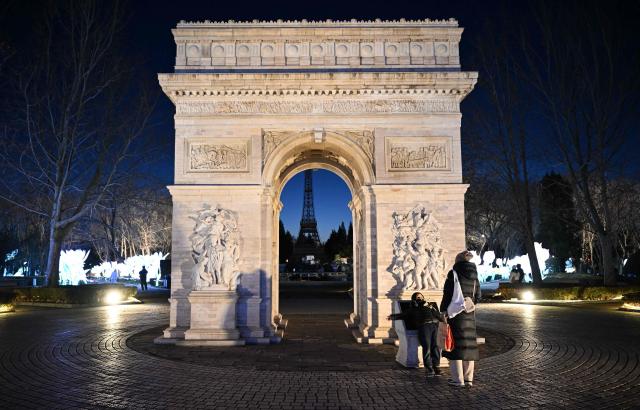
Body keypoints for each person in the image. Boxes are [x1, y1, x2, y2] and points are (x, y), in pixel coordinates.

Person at [441, 250, 481, 387]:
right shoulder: (475, 276)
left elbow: (447, 294)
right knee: (469, 346)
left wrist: (443, 310)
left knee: (455, 347)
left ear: (457, 261)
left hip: (455, 315)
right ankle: (468, 379)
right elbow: (478, 297)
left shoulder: (453, 274)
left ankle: (458, 380)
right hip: (469, 314)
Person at [387, 292, 445, 377]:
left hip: (434, 326)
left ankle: (436, 367)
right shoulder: (413, 309)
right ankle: (429, 368)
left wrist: (432, 309)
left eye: (421, 297)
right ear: (414, 300)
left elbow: (439, 317)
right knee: (427, 347)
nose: (420, 299)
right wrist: (392, 317)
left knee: (435, 347)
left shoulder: (429, 306)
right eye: (417, 297)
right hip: (424, 327)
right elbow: (403, 315)